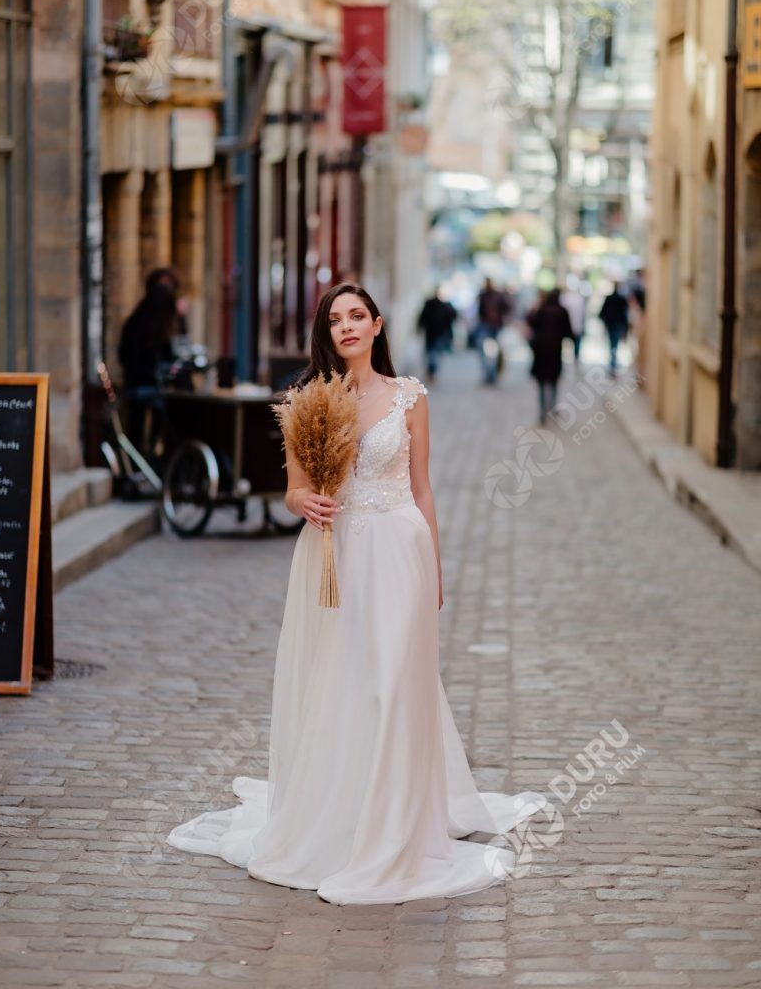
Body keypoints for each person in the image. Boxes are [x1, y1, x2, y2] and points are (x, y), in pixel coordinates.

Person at [166, 282, 547, 904]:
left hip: (400, 552)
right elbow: (292, 488)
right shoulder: (309, 401)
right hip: (335, 556)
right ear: (328, 332)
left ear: (376, 325)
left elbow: (422, 488)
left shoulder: (410, 398)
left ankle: (397, 826)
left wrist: (436, 563)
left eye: (357, 316)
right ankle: (345, 817)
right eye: (335, 318)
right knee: (345, 682)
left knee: (397, 683)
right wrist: (304, 501)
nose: (347, 326)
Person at [118, 267, 179, 451]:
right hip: (148, 387)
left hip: (137, 386)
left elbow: (124, 355)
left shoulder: (136, 321)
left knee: (136, 433)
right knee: (158, 431)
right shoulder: (161, 325)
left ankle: (139, 464)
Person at [526, 288, 574, 425]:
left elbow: (531, 322)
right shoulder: (562, 311)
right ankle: (552, 407)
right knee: (553, 381)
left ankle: (542, 412)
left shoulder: (541, 309)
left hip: (541, 351)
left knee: (541, 382)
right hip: (555, 351)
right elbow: (568, 332)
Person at [476, 278, 512, 385]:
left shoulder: (496, 296)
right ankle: (489, 374)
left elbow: (506, 308)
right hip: (488, 326)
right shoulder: (484, 295)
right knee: (487, 351)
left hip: (493, 327)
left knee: (491, 352)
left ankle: (491, 374)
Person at [417, 288, 457, 382]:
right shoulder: (440, 305)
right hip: (436, 334)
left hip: (435, 334)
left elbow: (452, 317)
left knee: (433, 354)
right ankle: (432, 371)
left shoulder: (442, 305)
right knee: (434, 354)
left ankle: (432, 371)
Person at [598, 281, 630, 378]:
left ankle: (613, 365)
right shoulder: (621, 299)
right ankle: (613, 366)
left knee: (612, 345)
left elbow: (602, 313)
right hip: (617, 325)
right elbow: (625, 315)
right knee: (614, 345)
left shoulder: (610, 299)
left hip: (611, 325)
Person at [559, 280, 586, 363]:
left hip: (571, 325)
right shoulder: (578, 298)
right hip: (572, 325)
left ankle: (575, 357)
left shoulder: (565, 298)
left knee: (574, 342)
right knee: (575, 343)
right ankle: (576, 357)